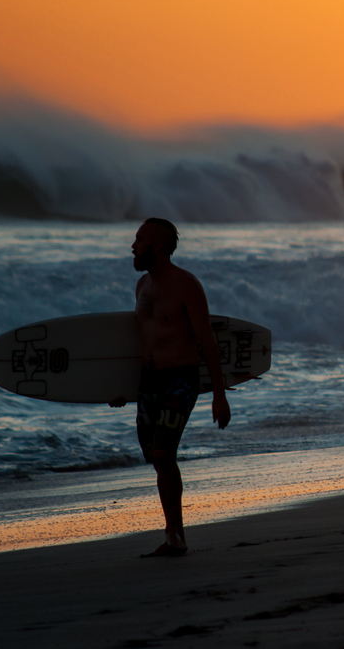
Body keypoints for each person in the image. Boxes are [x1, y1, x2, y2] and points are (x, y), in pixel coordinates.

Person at [120, 217, 230, 557]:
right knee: (157, 459)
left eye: (139, 240)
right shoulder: (141, 288)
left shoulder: (187, 285)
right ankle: (175, 535)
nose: (133, 246)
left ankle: (174, 536)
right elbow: (139, 345)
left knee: (165, 453)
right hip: (148, 383)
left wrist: (219, 395)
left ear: (158, 246)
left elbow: (206, 341)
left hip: (181, 379)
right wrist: (119, 390)